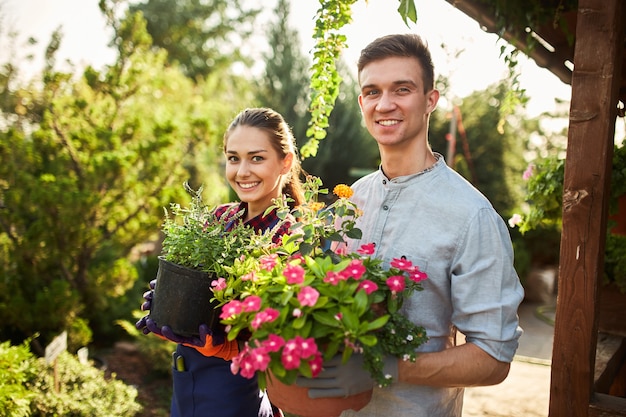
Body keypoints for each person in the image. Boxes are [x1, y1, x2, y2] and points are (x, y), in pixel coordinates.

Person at [296, 33, 524, 416]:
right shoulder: (350, 202)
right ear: (361, 103)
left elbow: (493, 356)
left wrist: (385, 368)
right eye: (372, 92)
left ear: (430, 100)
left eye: (402, 89)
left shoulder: (472, 216)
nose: (385, 104)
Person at [136, 107, 305, 417]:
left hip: (240, 393)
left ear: (285, 162)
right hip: (187, 383)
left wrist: (226, 347)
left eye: (256, 158)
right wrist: (170, 305)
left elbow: (291, 342)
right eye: (233, 158)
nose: (242, 171)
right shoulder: (218, 220)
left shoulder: (292, 237)